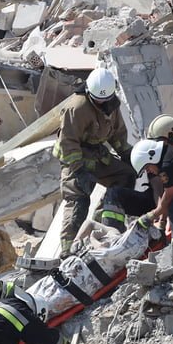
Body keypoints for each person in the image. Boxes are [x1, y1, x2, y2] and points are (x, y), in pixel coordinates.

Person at [54, 68, 135, 258]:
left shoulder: (111, 105)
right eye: (97, 99)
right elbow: (68, 142)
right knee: (78, 199)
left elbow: (117, 134)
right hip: (73, 158)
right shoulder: (77, 108)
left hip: (97, 155)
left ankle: (105, 225)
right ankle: (68, 251)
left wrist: (128, 156)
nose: (101, 103)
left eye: (104, 99)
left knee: (126, 175)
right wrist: (79, 172)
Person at [101, 114, 173, 232]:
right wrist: (158, 216)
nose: (155, 144)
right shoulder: (154, 158)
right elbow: (158, 190)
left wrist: (163, 218)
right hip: (158, 203)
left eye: (157, 140)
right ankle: (111, 234)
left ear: (168, 137)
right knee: (115, 193)